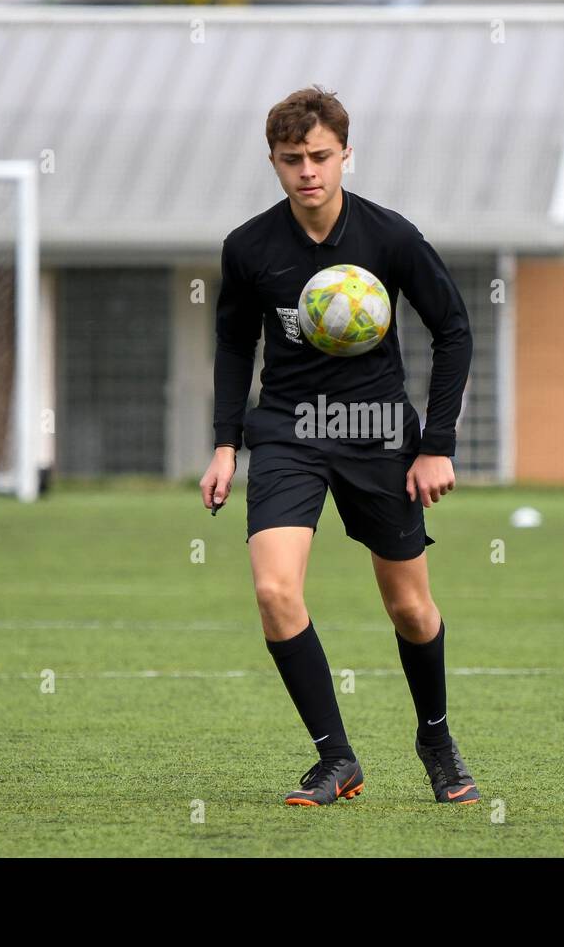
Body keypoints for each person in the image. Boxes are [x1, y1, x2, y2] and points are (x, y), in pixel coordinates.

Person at [198, 84, 479, 806]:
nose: (308, 171)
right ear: (274, 162)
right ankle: (336, 758)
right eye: (292, 159)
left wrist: (436, 444)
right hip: (289, 428)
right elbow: (233, 344)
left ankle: (436, 740)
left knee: (411, 608)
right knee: (273, 589)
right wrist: (225, 444)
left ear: (346, 155)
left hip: (380, 432)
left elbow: (454, 331)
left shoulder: (390, 239)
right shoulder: (250, 248)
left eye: (321, 156)